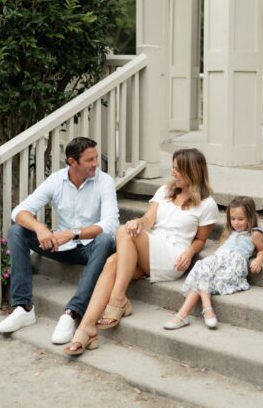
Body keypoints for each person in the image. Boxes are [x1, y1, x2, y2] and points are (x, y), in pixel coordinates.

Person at [64, 147, 220, 355]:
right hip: (150, 246)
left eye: (178, 170)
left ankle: (118, 299)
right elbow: (148, 221)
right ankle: (87, 329)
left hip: (172, 256)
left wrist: (190, 253)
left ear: (193, 172)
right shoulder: (165, 191)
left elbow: (201, 239)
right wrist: (137, 222)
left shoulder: (207, 204)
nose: (173, 174)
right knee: (112, 261)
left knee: (123, 232)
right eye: (173, 169)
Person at [0, 137, 119, 345]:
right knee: (17, 231)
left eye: (96, 158)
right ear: (72, 162)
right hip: (60, 245)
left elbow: (110, 224)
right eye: (90, 160)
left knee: (106, 240)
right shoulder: (56, 180)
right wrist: (41, 228)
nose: (96, 163)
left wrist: (73, 233)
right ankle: (23, 308)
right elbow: (19, 211)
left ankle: (71, 313)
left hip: (91, 248)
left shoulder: (104, 181)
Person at [162, 195, 263, 331]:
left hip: (233, 265)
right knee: (202, 267)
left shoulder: (254, 234)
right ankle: (200, 310)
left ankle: (186, 314)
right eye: (233, 219)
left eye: (240, 219)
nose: (236, 223)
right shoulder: (232, 232)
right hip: (218, 259)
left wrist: (258, 260)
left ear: (251, 217)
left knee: (201, 276)